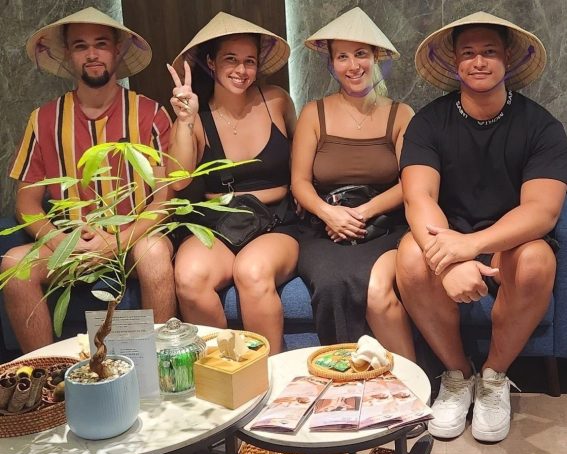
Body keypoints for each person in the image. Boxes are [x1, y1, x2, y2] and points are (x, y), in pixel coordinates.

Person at [397, 11, 567, 442]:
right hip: (445, 235)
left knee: (536, 261)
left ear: (507, 59)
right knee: (411, 258)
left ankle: (494, 378)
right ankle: (457, 376)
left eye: (489, 52)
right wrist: (449, 261)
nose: (478, 61)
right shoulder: (428, 122)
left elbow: (542, 211)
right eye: (468, 53)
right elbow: (420, 198)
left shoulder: (542, 126)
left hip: (509, 240)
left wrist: (469, 247)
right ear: (454, 62)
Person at [1, 7, 175, 353]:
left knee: (155, 253)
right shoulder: (44, 120)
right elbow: (27, 204)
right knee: (12, 265)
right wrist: (62, 243)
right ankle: (47, 382)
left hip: (131, 242)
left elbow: (162, 201)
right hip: (68, 245)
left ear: (118, 50)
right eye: (81, 46)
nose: (92, 54)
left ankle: (160, 370)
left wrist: (114, 243)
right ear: (68, 54)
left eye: (101, 44)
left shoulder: (150, 114)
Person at [166, 12, 298, 354]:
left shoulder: (277, 100)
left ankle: (274, 377)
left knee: (251, 271)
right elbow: (177, 181)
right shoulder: (197, 114)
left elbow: (304, 162)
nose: (241, 70)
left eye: (249, 61)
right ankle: (227, 372)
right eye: (231, 60)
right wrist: (184, 119)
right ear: (210, 63)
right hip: (218, 222)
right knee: (189, 277)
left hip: (277, 222)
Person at [291, 7, 415, 360]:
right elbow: (299, 182)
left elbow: (411, 182)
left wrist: (361, 212)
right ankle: (345, 377)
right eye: (342, 56)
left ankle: (407, 381)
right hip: (322, 227)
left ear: (376, 57)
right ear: (331, 64)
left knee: (371, 283)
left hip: (385, 225)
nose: (353, 65)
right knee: (330, 281)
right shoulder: (314, 113)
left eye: (361, 54)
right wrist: (329, 214)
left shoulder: (400, 114)